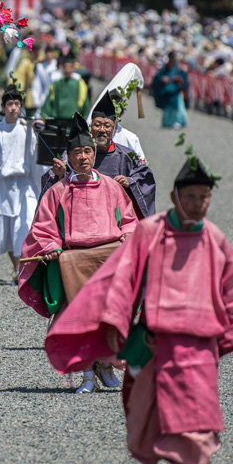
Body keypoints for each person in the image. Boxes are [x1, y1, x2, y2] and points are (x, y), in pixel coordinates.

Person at [44, 149, 233, 464]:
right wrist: (115, 323)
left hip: (198, 344)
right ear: (175, 197)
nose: (198, 204)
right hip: (154, 340)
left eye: (204, 197)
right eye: (190, 197)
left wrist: (232, 333)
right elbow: (120, 277)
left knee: (199, 414)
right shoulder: (151, 232)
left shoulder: (214, 238)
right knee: (145, 413)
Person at [18, 113, 138, 392]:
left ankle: (106, 365)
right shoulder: (58, 191)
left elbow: (130, 221)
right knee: (79, 320)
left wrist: (128, 240)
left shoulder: (111, 187)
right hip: (73, 261)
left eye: (87, 151)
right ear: (68, 157)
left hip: (108, 259)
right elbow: (43, 227)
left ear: (94, 154)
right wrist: (50, 248)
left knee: (110, 317)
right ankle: (86, 375)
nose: (83, 157)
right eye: (76, 152)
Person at [41, 91, 157, 219]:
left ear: (114, 130)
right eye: (97, 125)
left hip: (116, 217)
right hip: (80, 215)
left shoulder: (127, 155)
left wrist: (129, 182)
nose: (102, 130)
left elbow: (145, 178)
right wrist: (59, 174)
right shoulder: (75, 154)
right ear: (90, 128)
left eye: (107, 126)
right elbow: (53, 179)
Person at [0, 85, 43, 281]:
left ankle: (25, 269)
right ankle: (17, 269)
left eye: (16, 104)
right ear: (3, 107)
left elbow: (35, 158)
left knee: (24, 225)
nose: (13, 108)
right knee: (6, 232)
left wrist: (37, 132)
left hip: (24, 185)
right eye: (9, 104)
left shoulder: (27, 130)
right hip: (4, 186)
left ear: (21, 107)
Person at [40, 54, 90, 121]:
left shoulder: (79, 84)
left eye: (70, 67)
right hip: (58, 120)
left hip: (74, 121)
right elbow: (48, 103)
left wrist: (86, 117)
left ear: (73, 68)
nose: (68, 70)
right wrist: (44, 115)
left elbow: (85, 103)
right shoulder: (56, 84)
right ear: (62, 68)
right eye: (66, 67)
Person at [152, 51, 189, 129]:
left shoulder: (179, 68)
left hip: (176, 91)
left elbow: (184, 79)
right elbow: (157, 77)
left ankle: (177, 122)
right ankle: (167, 122)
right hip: (166, 92)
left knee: (177, 108)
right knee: (167, 108)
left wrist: (178, 80)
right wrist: (162, 79)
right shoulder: (165, 68)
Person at [30, 45, 59, 115]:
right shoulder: (40, 66)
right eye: (47, 52)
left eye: (51, 52)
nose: (49, 55)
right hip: (44, 97)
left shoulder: (57, 65)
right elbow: (37, 84)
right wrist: (36, 99)